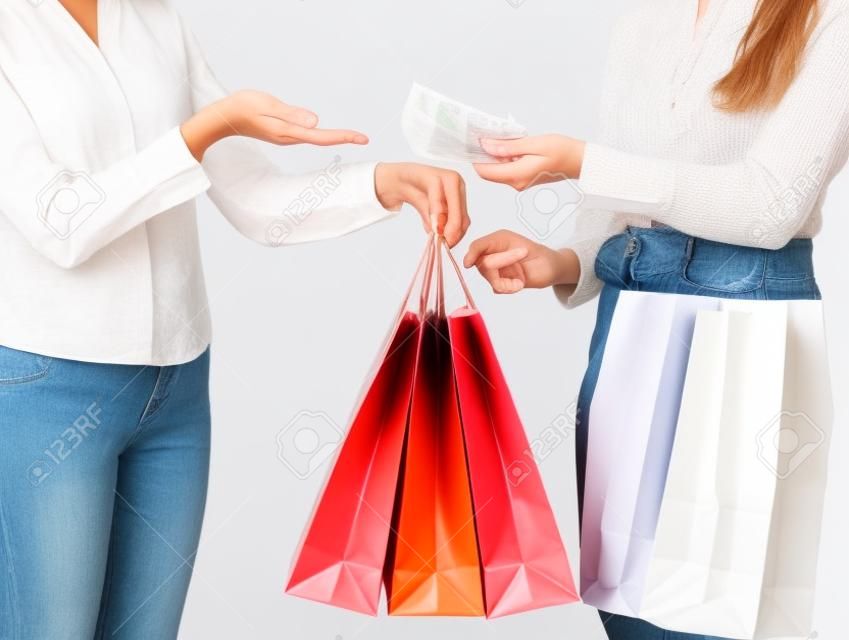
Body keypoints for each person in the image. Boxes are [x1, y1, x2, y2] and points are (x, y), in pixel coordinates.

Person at [0, 1, 469, 638]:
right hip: (49, 388)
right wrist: (206, 129)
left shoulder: (154, 18)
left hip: (177, 393)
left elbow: (251, 196)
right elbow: (64, 225)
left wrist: (385, 183)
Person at [464, 0, 848, 638]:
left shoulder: (828, 15)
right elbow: (624, 204)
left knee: (716, 614)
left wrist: (580, 160)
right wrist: (560, 261)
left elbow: (771, 205)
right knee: (630, 608)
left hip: (741, 318)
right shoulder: (647, 18)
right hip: (629, 318)